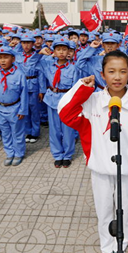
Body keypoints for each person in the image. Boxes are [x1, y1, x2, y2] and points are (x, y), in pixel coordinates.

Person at [58, 50, 128, 253]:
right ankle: (106, 249)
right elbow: (64, 112)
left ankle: (121, 247)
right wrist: (82, 87)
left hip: (127, 171)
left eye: (122, 71)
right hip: (100, 171)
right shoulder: (92, 101)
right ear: (102, 74)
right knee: (104, 212)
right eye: (111, 71)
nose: (117, 77)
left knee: (124, 212)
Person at [32, 37, 80, 168]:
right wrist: (39, 52)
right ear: (54, 51)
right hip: (52, 98)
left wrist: (74, 103)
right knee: (54, 130)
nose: (62, 52)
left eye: (64, 49)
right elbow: (33, 63)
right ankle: (58, 154)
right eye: (58, 49)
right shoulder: (48, 64)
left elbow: (76, 87)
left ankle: (68, 155)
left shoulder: (73, 68)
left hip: (66, 99)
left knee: (68, 130)